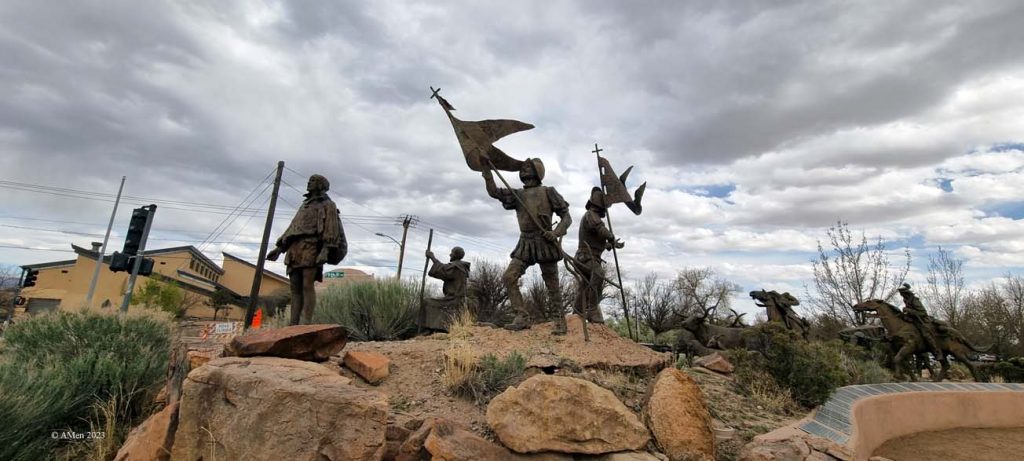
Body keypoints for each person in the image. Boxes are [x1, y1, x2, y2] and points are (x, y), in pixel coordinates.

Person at [481, 159, 572, 334]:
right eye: (522, 168)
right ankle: (521, 316)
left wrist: (556, 233)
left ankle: (559, 320)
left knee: (552, 284)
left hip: (545, 241)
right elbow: (494, 192)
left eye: (528, 167)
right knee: (509, 277)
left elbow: (566, 217)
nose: (524, 169)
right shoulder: (517, 194)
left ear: (538, 171)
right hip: (525, 242)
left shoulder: (548, 191)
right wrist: (487, 172)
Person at [267, 174, 346, 325]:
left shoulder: (328, 205)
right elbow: (293, 227)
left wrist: (325, 250)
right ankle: (293, 324)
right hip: (294, 249)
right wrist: (279, 248)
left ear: (321, 185)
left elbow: (331, 229)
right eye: (309, 180)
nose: (309, 183)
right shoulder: (304, 205)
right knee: (295, 288)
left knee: (307, 285)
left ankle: (306, 323)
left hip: (312, 247)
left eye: (313, 181)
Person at [573, 187, 623, 324]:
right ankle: (592, 309)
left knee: (585, 285)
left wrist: (610, 244)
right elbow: (599, 229)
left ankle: (577, 311)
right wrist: (610, 236)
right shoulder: (591, 215)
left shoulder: (592, 216)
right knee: (598, 274)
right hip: (585, 258)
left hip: (592, 257)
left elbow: (597, 242)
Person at [420, 246, 471, 332]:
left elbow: (443, 269)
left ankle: (431, 328)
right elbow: (444, 271)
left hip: (453, 299)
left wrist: (432, 257)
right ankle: (434, 328)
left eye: (452, 253)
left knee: (427, 302)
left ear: (456, 255)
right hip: (456, 298)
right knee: (430, 301)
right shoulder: (460, 267)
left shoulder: (456, 267)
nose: (450, 254)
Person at [898, 283, 943, 358]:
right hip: (912, 319)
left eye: (902, 293)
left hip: (921, 321)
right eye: (900, 293)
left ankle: (937, 352)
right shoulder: (906, 300)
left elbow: (923, 313)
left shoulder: (915, 300)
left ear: (906, 293)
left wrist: (909, 310)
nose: (901, 295)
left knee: (926, 335)